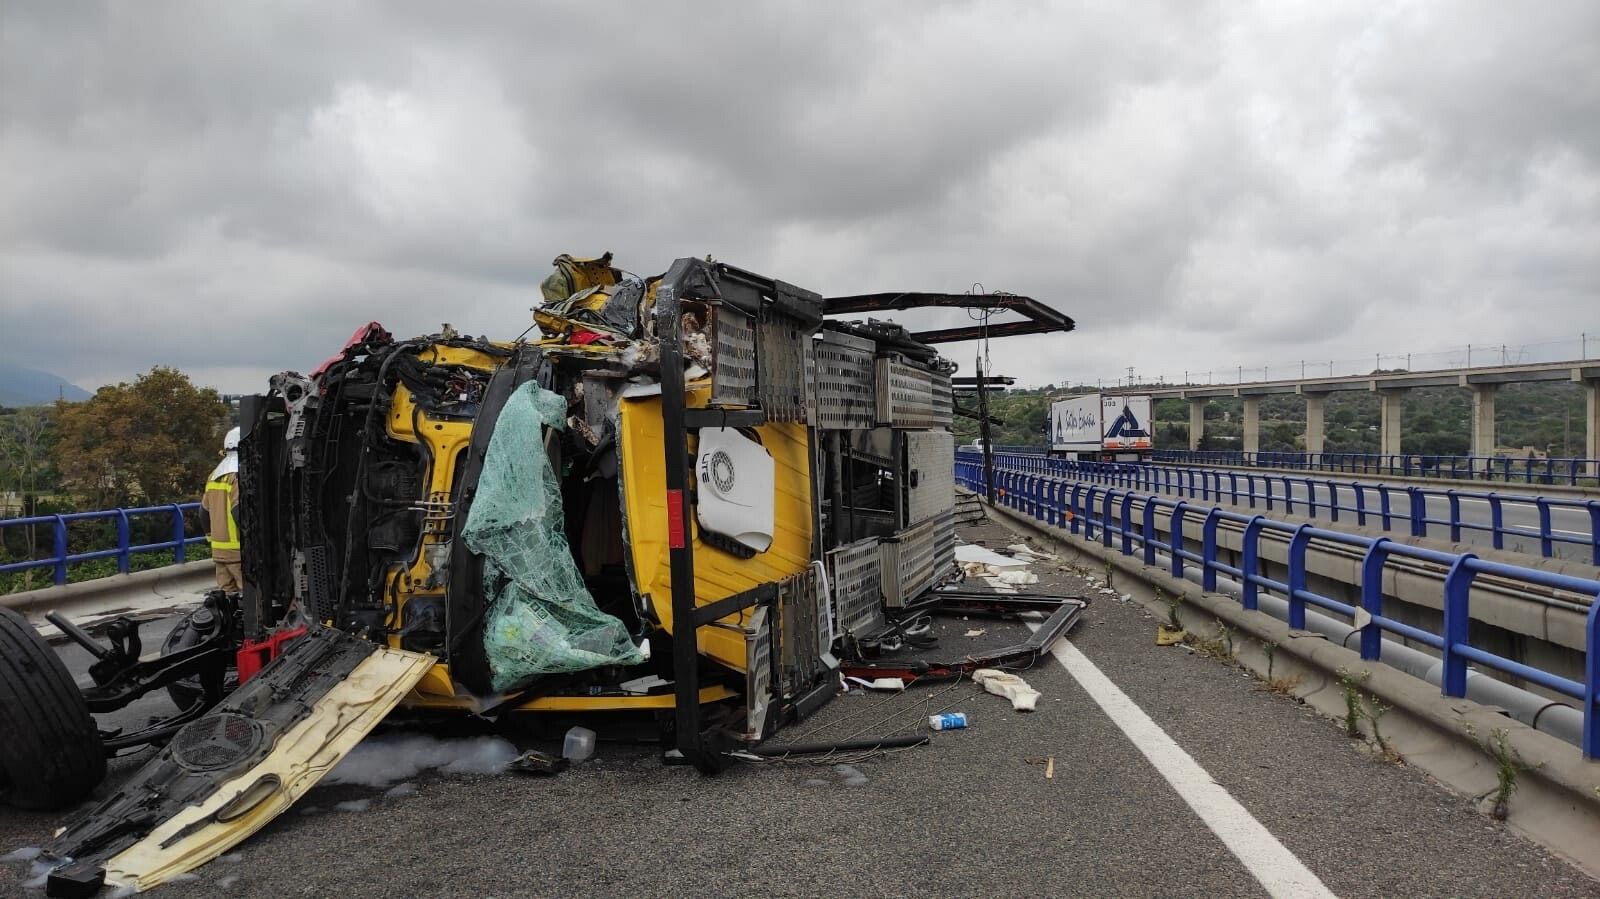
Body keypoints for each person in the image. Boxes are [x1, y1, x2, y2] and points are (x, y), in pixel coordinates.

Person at [199, 427, 243, 593]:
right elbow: (238, 510)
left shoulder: (214, 475)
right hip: (238, 553)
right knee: (250, 603)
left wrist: (210, 538)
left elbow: (203, 512)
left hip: (219, 552)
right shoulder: (237, 476)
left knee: (226, 601)